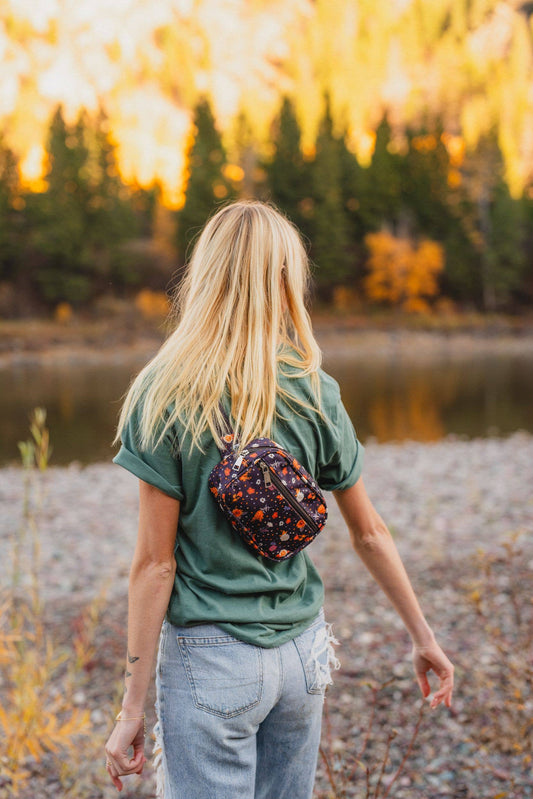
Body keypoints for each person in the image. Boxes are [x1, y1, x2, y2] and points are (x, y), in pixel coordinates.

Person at [104, 200, 454, 798]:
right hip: (302, 656)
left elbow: (156, 564)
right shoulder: (316, 389)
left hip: (210, 658)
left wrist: (131, 708)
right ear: (285, 279)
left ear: (205, 276)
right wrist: (424, 638)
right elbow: (369, 532)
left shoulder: (163, 394)